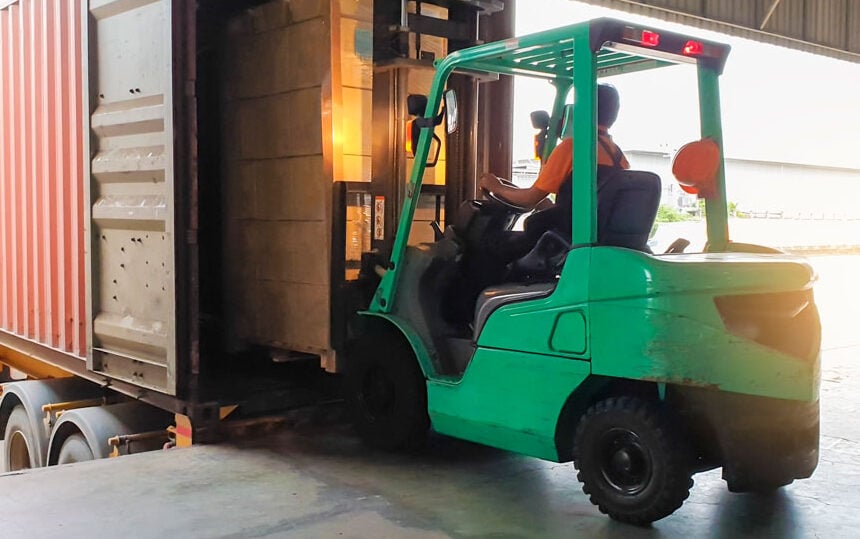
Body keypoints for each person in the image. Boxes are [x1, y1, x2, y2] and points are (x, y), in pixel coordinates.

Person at [479, 83, 630, 223]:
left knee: (499, 239)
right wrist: (548, 206)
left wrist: (496, 187)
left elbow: (529, 199)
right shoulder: (620, 158)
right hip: (596, 233)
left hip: (568, 235)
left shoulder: (573, 147)